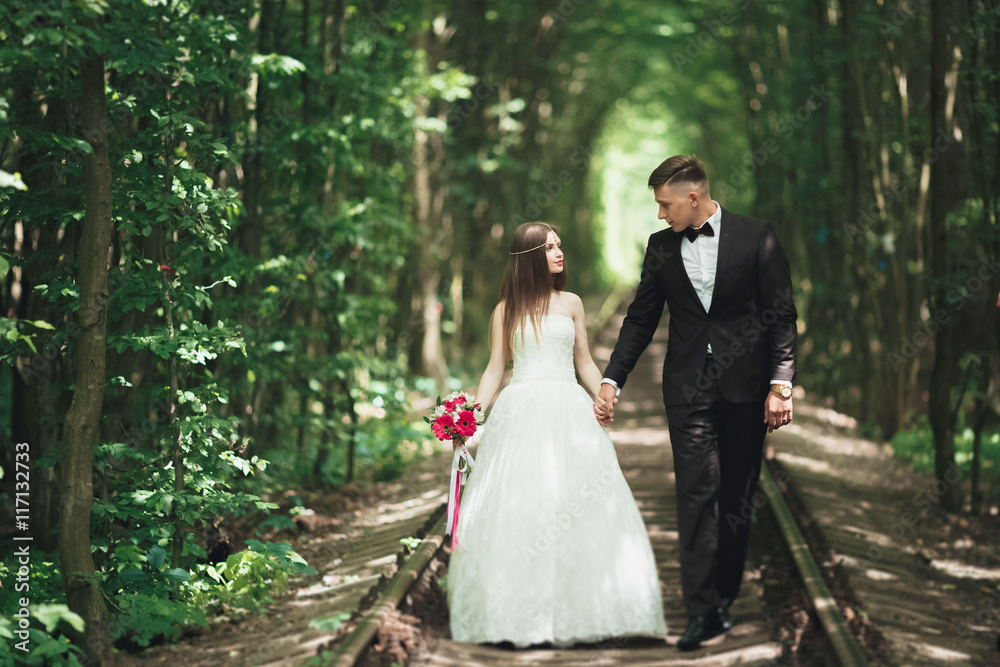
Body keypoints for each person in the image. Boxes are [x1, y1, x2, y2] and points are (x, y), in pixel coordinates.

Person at [594, 155, 797, 651]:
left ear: (692, 195)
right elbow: (641, 319)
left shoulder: (756, 236)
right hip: (686, 390)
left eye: (665, 205)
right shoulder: (660, 247)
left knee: (737, 498)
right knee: (695, 495)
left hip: (748, 389)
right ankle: (702, 609)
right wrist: (611, 380)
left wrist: (780, 384)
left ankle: (724, 594)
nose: (661, 215)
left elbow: (781, 313)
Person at [447, 222, 667, 648]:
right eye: (550, 248)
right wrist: (470, 414)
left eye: (560, 245)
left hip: (569, 408)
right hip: (521, 409)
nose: (559, 253)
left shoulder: (571, 303)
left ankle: (586, 607)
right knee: (523, 506)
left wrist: (604, 391)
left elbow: (583, 360)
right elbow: (496, 368)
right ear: (530, 256)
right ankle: (519, 613)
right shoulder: (505, 310)